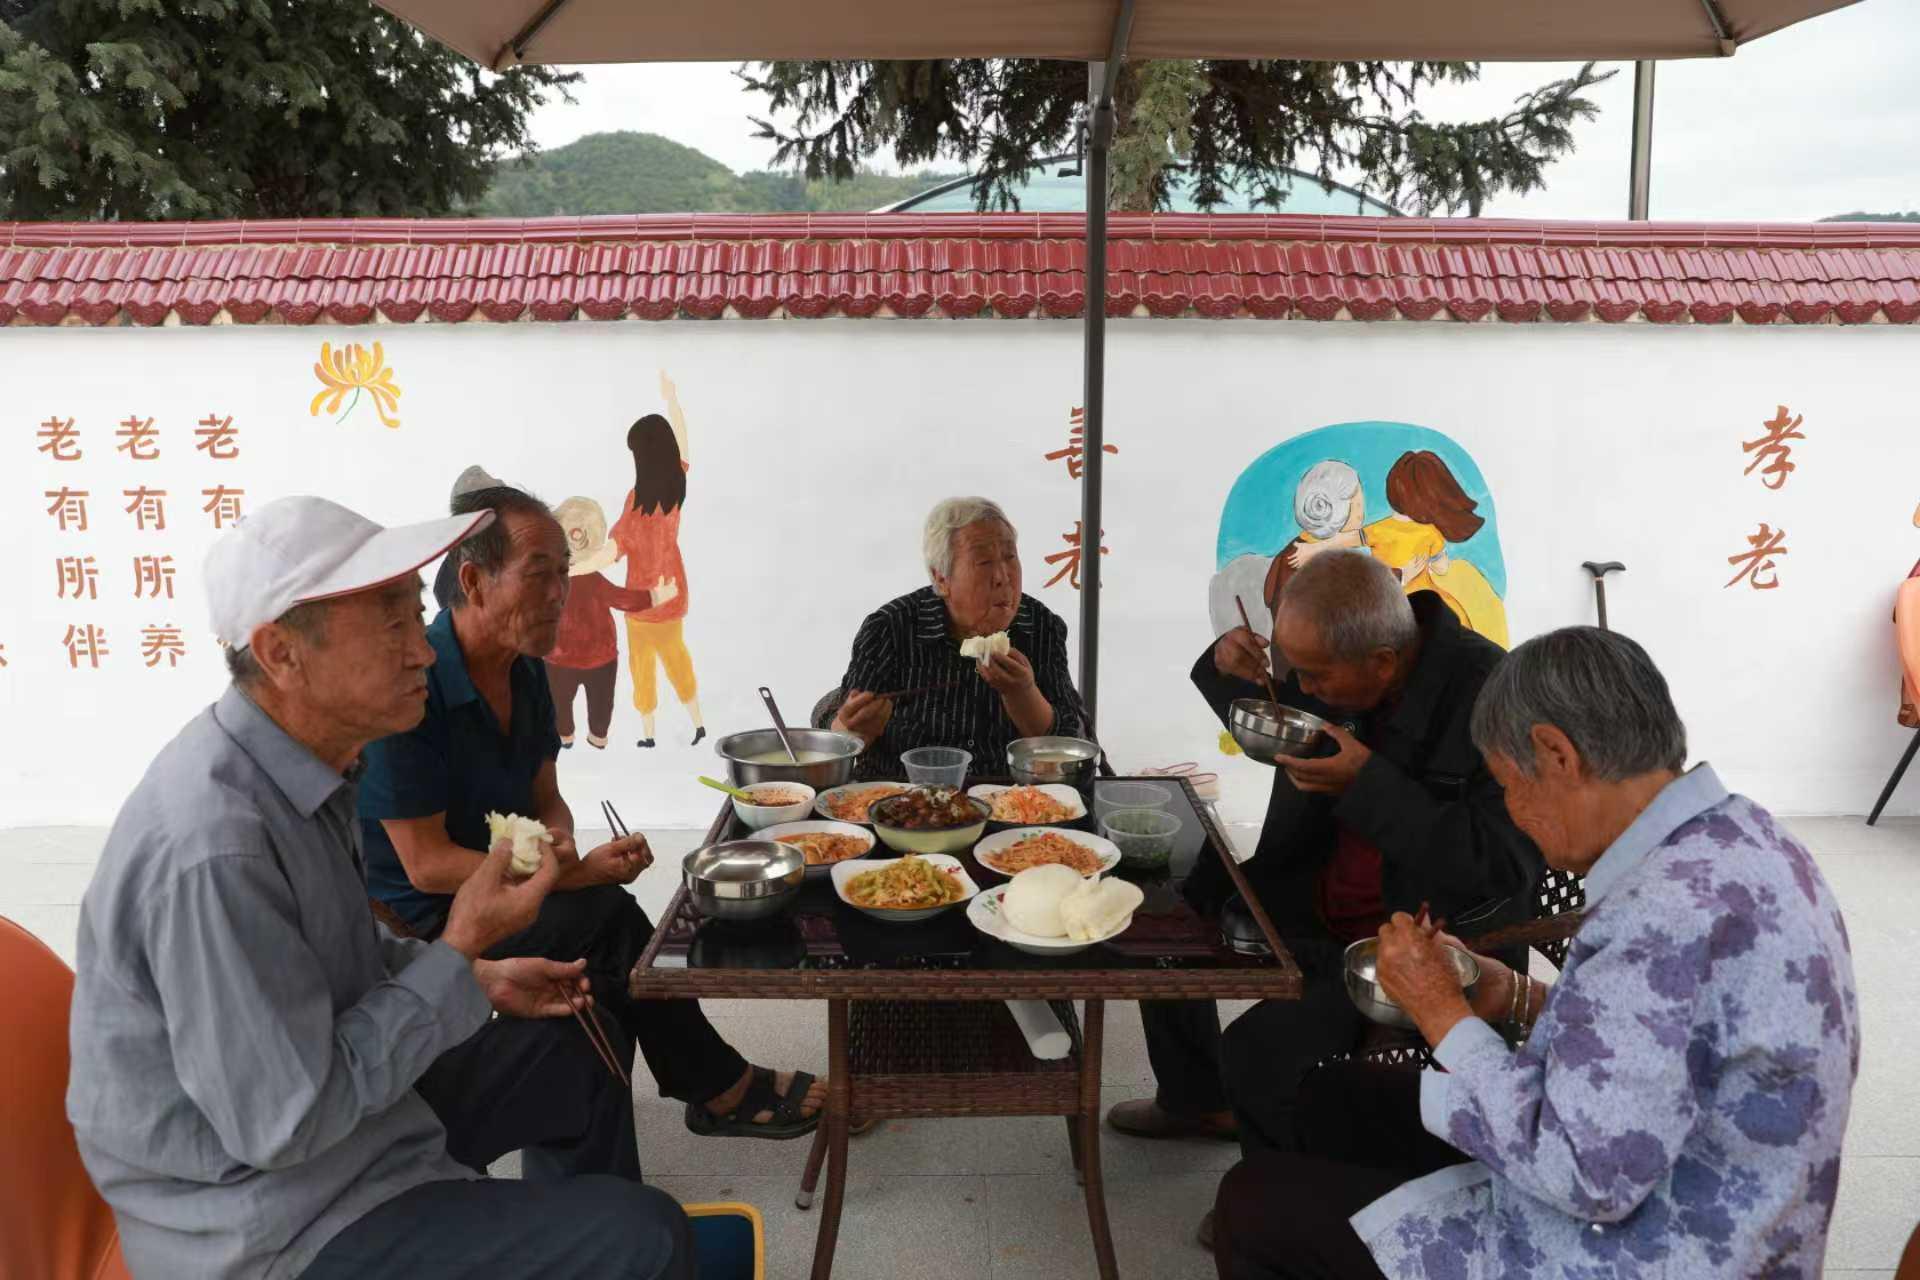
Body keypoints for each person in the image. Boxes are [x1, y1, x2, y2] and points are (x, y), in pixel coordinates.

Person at [67, 495, 693, 1280]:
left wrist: (476, 976)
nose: (423, 652)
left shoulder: (305, 771)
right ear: (281, 654)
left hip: (354, 1138)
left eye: (413, 615)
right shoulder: (215, 851)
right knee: (649, 1237)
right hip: (271, 1224)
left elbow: (337, 955)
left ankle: (546, 1238)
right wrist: (459, 946)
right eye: (391, 625)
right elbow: (286, 1123)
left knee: (574, 1048)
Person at [1213, 627, 1860, 1279]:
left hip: (1645, 1246)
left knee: (1253, 1206)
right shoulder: (1741, 834)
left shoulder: (1663, 912)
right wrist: (1515, 995)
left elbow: (1585, 1176)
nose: (1513, 812)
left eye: (1507, 784)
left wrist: (1441, 1012)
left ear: (1556, 754)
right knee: (1335, 1099)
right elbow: (1667, 1039)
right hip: (1680, 1185)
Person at [359, 484, 828, 1139]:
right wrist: (569, 875)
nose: (561, 593)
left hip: (513, 886)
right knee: (606, 922)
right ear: (473, 581)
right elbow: (427, 866)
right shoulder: (416, 686)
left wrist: (562, 848)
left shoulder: (524, 668)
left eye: (566, 572)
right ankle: (716, 1087)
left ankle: (618, 1106)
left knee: (599, 952)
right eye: (540, 575)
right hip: (429, 919)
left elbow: (546, 797)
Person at [1110, 552, 1541, 1190]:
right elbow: (1284, 719)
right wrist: (1227, 669)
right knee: (1161, 913)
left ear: (1383, 664)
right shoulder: (1351, 655)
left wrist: (1368, 782)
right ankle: (1194, 1099)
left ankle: (1274, 1200)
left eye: (1313, 675)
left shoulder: (1493, 701)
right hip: (1308, 883)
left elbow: (1502, 865)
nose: (1304, 689)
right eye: (1295, 669)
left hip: (1408, 940)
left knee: (1258, 1051)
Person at [829, 496, 1088, 780]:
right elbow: (841, 739)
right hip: (900, 793)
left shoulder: (1040, 626)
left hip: (1010, 798)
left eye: (1010, 557)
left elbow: (1069, 748)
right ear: (941, 579)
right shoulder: (889, 628)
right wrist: (852, 730)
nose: (1002, 576)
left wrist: (1023, 693)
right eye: (984, 562)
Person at [611, 371, 703, 748]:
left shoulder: (638, 499)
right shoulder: (675, 489)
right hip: (666, 597)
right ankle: (692, 725)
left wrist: (577, 563)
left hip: (643, 602)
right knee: (674, 662)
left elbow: (616, 546)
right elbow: (682, 442)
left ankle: (652, 734)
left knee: (646, 670)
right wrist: (672, 400)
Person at [548, 494, 677, 749]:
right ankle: (596, 736)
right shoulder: (592, 580)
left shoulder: (553, 581)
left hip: (560, 657)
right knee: (600, 702)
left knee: (560, 703)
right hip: (598, 657)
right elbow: (623, 599)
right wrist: (655, 596)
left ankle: (566, 735)